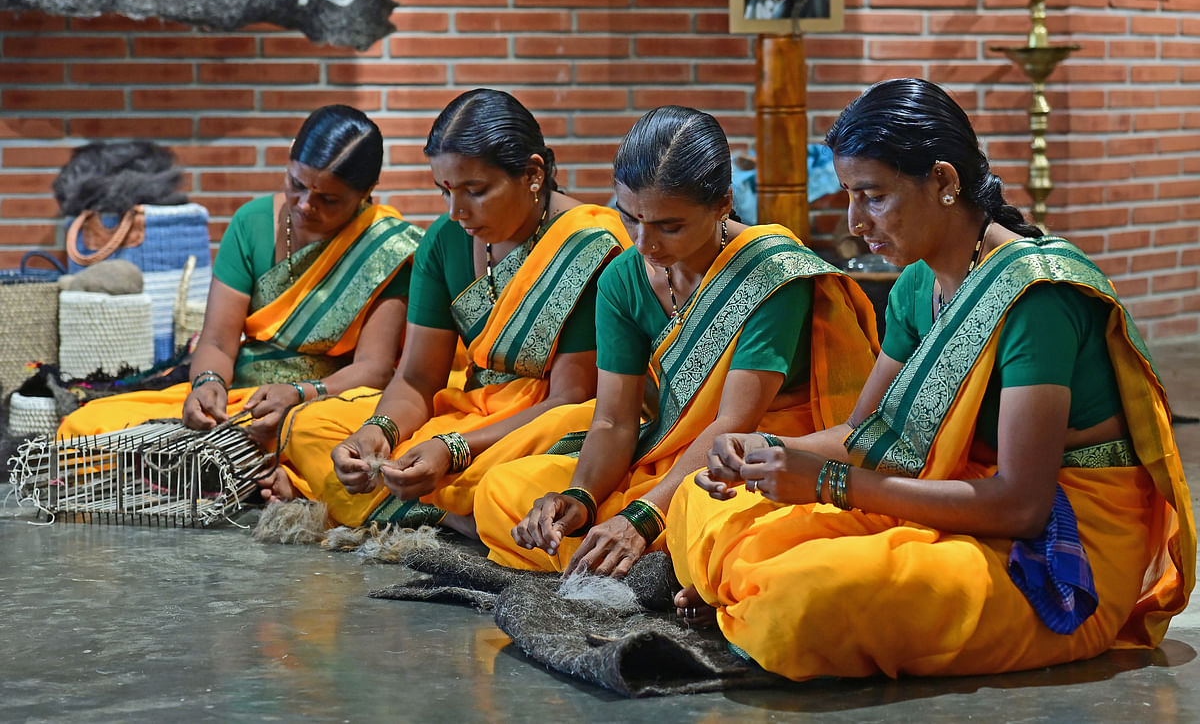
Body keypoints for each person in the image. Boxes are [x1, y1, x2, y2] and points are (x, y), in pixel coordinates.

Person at [668, 78, 1195, 681]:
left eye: (872, 196)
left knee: (798, 601)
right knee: (701, 503)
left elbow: (1023, 505)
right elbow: (870, 432)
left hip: (1055, 542)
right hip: (950, 493)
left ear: (944, 182)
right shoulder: (920, 281)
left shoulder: (1037, 298)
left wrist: (832, 485)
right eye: (848, 194)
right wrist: (766, 453)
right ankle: (740, 595)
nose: (854, 221)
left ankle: (740, 598)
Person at [475, 105, 878, 575]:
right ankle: (648, 562)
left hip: (754, 457)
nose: (645, 242)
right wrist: (580, 499)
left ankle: (651, 556)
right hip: (667, 450)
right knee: (504, 490)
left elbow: (732, 423)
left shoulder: (770, 273)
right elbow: (613, 422)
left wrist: (642, 517)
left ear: (723, 203)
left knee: (718, 527)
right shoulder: (624, 279)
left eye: (670, 226)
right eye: (630, 218)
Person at [274, 89, 630, 534]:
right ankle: (457, 515)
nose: (456, 210)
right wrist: (378, 432)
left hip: (541, 429)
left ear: (533, 174)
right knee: (311, 426)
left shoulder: (589, 247)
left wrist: (453, 449)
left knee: (517, 477)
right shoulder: (445, 240)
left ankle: (446, 508)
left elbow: (571, 398)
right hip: (469, 415)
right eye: (445, 190)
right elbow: (418, 378)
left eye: (475, 191)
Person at [58, 105, 422, 488]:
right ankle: (259, 471)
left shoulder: (388, 248)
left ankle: (262, 470)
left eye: (329, 200)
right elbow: (217, 339)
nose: (305, 205)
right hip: (245, 397)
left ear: (366, 192)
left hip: (327, 401)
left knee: (328, 442)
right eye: (296, 184)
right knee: (84, 429)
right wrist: (207, 385)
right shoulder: (251, 223)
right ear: (290, 156)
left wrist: (297, 394)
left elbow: (375, 369)